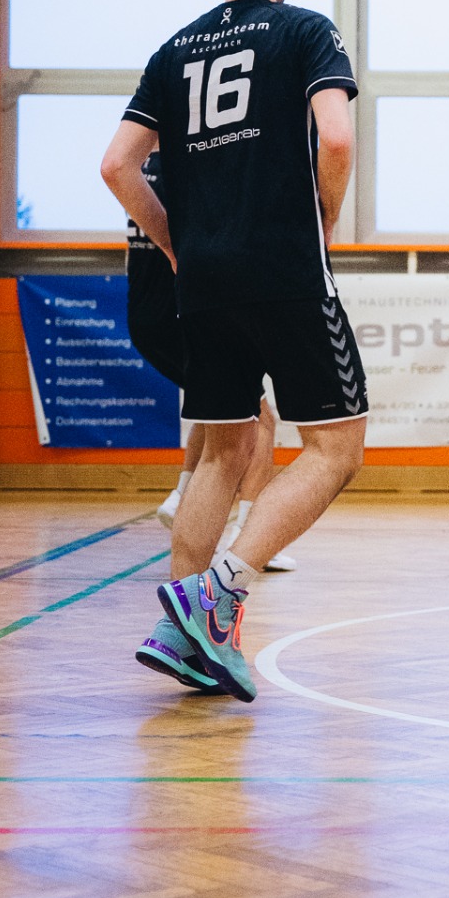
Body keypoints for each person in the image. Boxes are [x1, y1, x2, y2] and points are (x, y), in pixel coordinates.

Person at [101, 0, 368, 702]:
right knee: (336, 449)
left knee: (222, 450)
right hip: (283, 268)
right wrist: (324, 218)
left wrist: (176, 245)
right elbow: (338, 136)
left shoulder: (174, 50)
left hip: (205, 281)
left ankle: (182, 634)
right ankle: (220, 592)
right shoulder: (306, 30)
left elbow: (117, 166)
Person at [128, 151, 296, 601]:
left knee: (221, 414)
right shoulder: (192, 169)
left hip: (147, 315)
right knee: (257, 419)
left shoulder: (145, 169)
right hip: (181, 314)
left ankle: (181, 497)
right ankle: (247, 537)